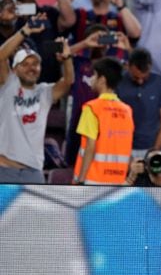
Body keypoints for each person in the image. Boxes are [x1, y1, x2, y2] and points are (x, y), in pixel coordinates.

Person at [0, 21, 73, 183]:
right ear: (14, 69)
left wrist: (67, 58)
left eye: (35, 64)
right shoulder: (7, 85)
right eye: (25, 64)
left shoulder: (45, 92)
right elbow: (1, 55)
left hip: (33, 171)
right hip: (5, 169)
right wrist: (25, 31)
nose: (31, 68)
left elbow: (68, 81)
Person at [73, 57, 134, 185]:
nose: (92, 79)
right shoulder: (127, 110)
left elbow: (90, 146)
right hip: (118, 181)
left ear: (102, 80)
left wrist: (81, 180)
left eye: (94, 75)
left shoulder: (91, 108)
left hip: (92, 180)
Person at [116, 49, 161, 159]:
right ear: (128, 66)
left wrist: (156, 150)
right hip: (122, 147)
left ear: (150, 66)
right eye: (136, 77)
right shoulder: (117, 82)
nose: (140, 81)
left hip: (152, 147)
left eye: (144, 77)